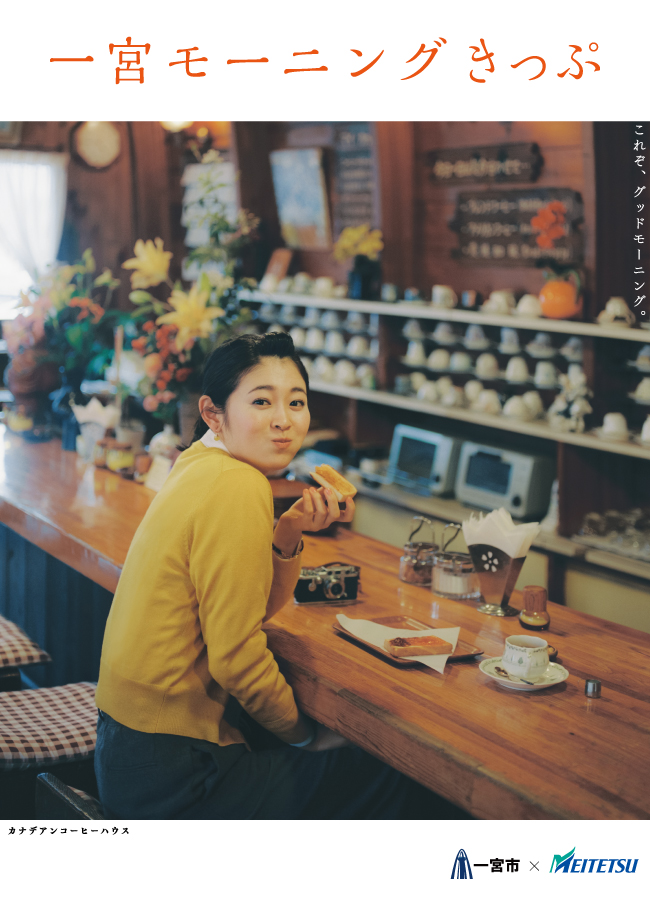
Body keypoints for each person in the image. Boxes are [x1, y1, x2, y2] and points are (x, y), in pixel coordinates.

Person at [94, 332, 469, 819]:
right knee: (399, 776)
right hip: (176, 773)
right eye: (261, 401)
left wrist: (287, 531)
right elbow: (236, 656)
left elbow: (243, 611)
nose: (283, 420)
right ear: (213, 413)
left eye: (296, 402)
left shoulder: (197, 463)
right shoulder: (239, 483)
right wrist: (305, 736)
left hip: (127, 750)